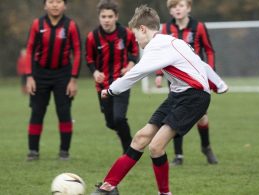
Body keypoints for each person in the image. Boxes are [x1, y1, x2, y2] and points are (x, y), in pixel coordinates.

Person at [91, 5, 224, 195]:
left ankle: (164, 193)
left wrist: (111, 90)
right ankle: (108, 186)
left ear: (143, 29)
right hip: (178, 95)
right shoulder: (171, 42)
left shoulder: (157, 46)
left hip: (193, 97)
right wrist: (219, 84)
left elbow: (137, 72)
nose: (136, 41)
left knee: (155, 146)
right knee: (140, 138)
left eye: (136, 35)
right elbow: (200, 64)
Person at [155, 0, 227, 165]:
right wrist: (159, 74)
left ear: (188, 8)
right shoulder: (165, 29)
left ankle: (206, 147)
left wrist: (211, 72)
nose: (177, 9)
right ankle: (178, 155)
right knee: (175, 115)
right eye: (173, 7)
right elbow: (160, 54)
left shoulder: (199, 27)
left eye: (180, 5)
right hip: (175, 79)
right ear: (170, 11)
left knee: (202, 117)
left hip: (197, 81)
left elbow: (209, 50)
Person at [25, 0, 81, 161]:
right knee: (37, 112)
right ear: (45, 5)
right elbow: (29, 50)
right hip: (39, 75)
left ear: (65, 5)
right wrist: (29, 77)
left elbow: (77, 52)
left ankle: (64, 152)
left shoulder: (70, 25)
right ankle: (33, 152)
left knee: (64, 112)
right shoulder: (37, 24)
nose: (55, 5)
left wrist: (73, 79)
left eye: (58, 1)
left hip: (63, 75)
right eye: (51, 1)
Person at [86, 0, 139, 154]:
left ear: (116, 17)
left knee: (119, 119)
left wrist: (130, 65)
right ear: (99, 18)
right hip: (103, 86)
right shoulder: (92, 37)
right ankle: (128, 141)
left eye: (110, 16)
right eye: (103, 16)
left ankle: (129, 152)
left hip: (122, 83)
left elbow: (134, 51)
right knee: (110, 123)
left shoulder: (126, 34)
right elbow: (89, 58)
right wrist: (95, 72)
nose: (107, 20)